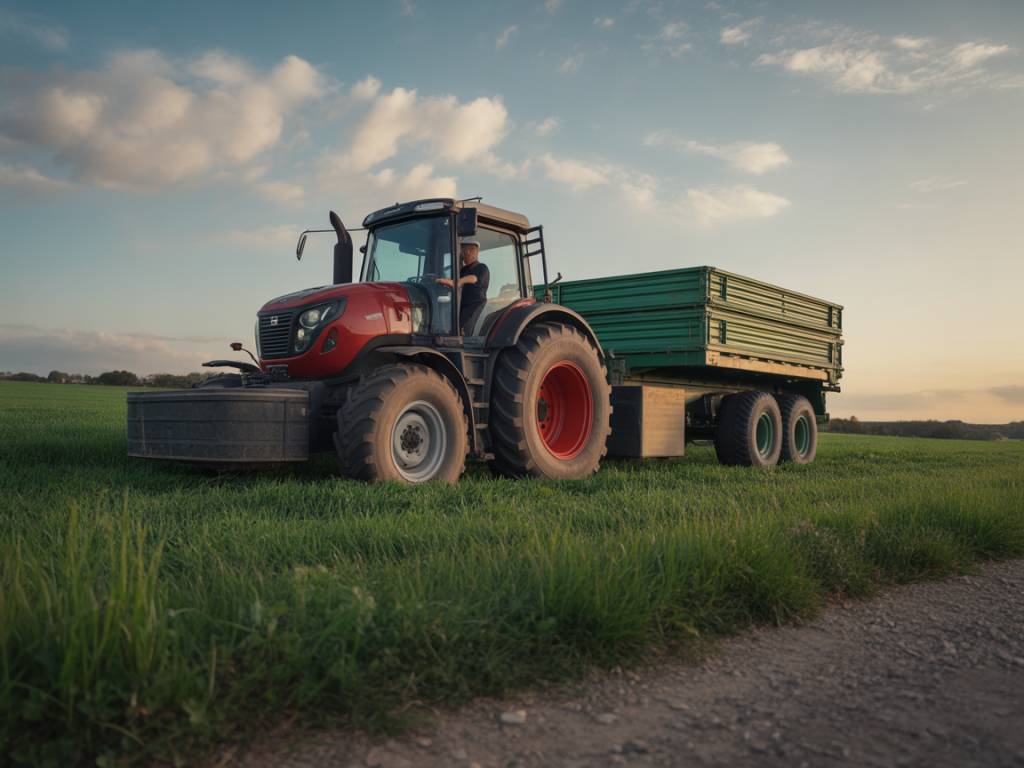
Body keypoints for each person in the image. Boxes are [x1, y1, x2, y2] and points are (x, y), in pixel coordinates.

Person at [437, 238, 489, 334]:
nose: (462, 254)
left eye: (463, 250)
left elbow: (473, 278)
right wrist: (439, 279)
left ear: (471, 251)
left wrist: (455, 282)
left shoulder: (481, 268)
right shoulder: (463, 270)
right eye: (462, 251)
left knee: (460, 330)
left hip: (474, 306)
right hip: (461, 306)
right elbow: (453, 280)